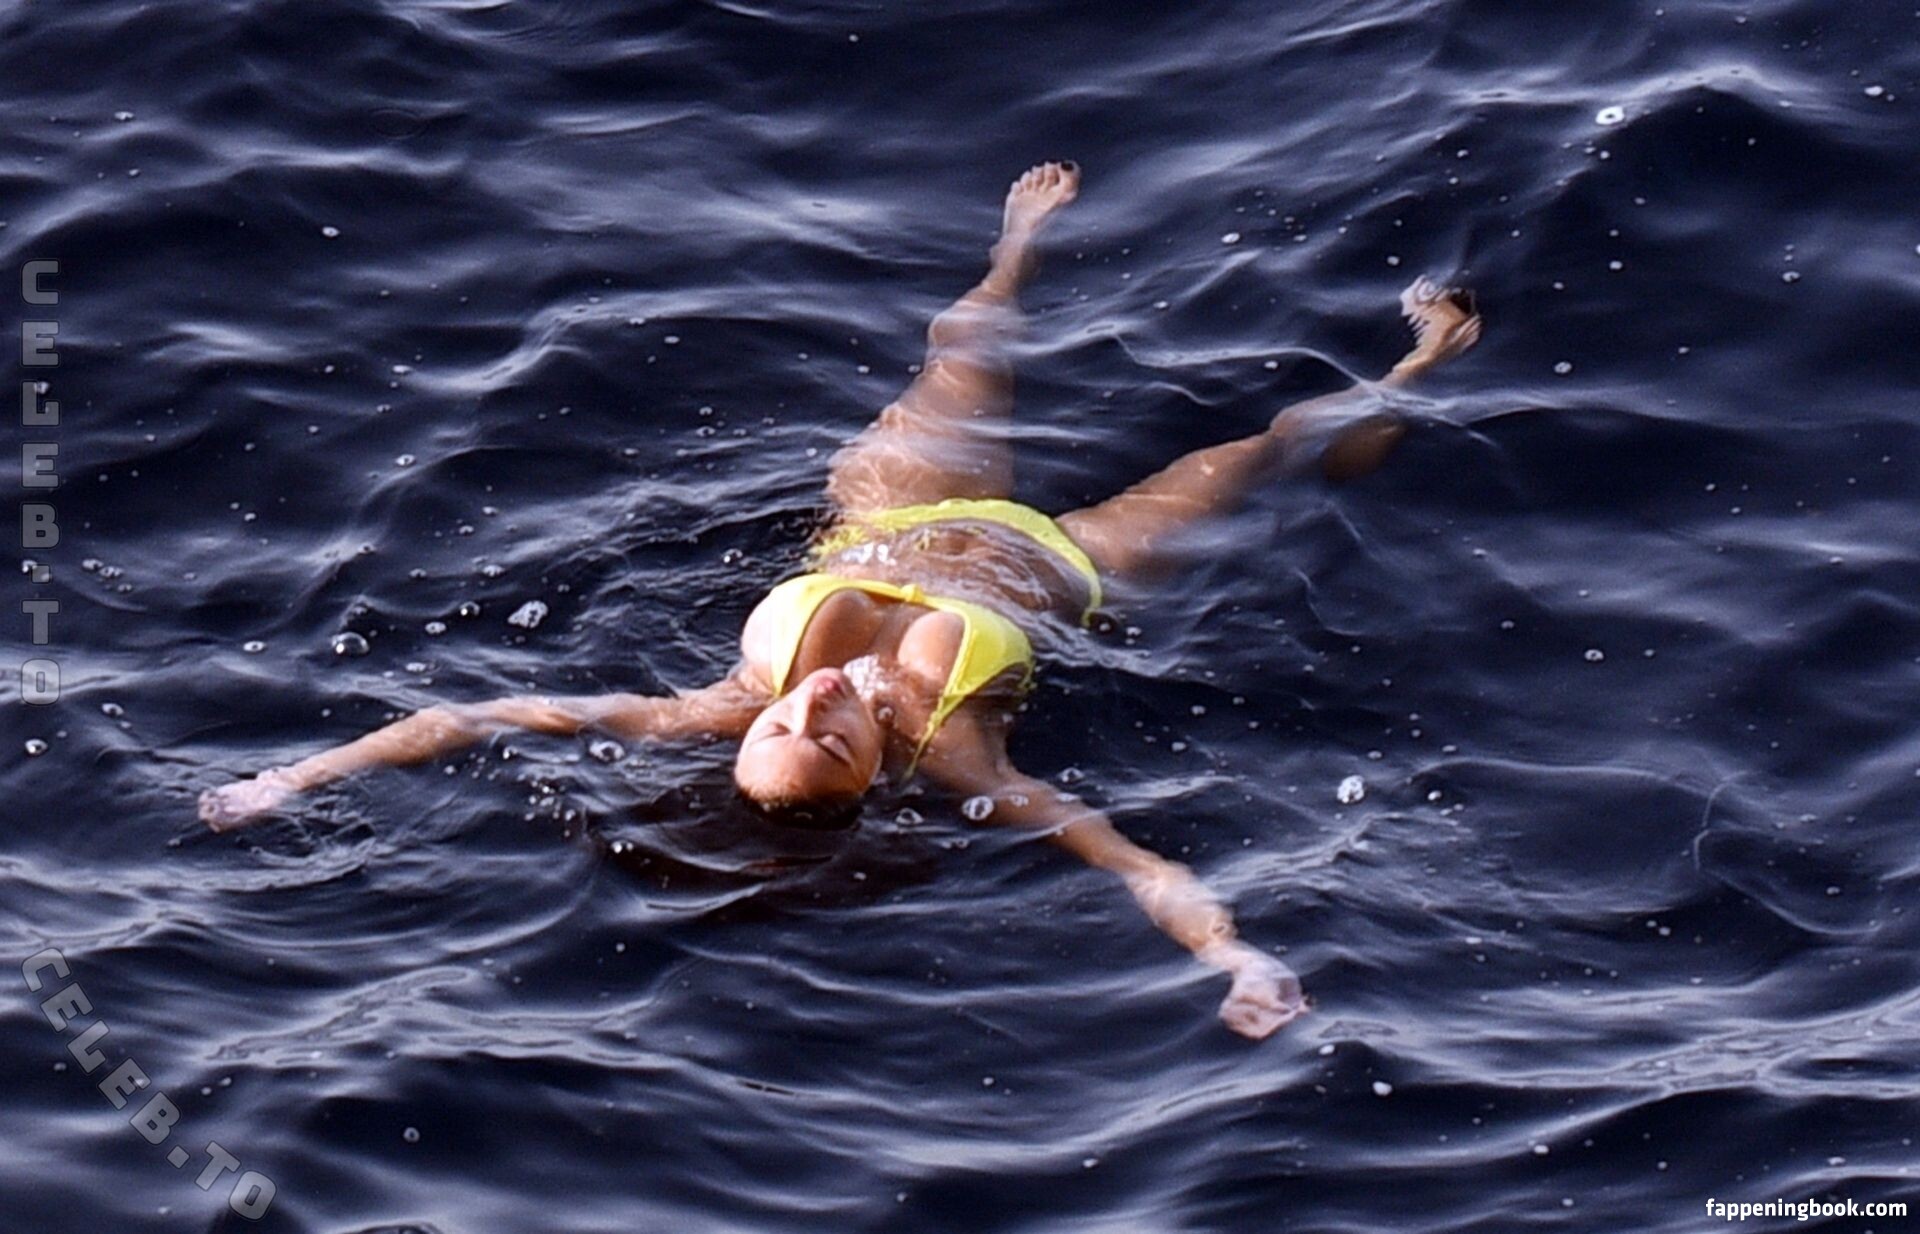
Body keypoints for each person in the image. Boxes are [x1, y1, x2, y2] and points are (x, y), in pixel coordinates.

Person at [199, 162, 1480, 1039]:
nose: (810, 700)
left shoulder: (721, 701)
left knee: (967, 342)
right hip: (1066, 561)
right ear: (875, 763)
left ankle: (1017, 245)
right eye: (831, 734)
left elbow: (476, 719)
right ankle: (1424, 365)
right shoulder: (957, 747)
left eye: (782, 724)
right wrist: (1239, 958)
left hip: (890, 515)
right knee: (1276, 445)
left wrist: (292, 779)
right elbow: (1133, 862)